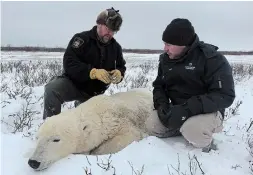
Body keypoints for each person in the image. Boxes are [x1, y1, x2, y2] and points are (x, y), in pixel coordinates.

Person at [146, 18, 235, 151]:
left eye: (169, 44)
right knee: (151, 125)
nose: (165, 49)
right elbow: (159, 86)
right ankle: (181, 129)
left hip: (206, 112)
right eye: (164, 43)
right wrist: (162, 106)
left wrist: (187, 109)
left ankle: (205, 144)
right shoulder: (166, 59)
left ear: (183, 44)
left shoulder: (212, 59)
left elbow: (225, 95)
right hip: (177, 109)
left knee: (193, 130)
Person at [42, 7, 126, 120]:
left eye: (113, 31)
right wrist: (92, 72)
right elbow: (69, 62)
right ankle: (50, 128)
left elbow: (121, 66)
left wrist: (119, 73)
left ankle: (82, 108)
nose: (110, 33)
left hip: (94, 93)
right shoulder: (81, 39)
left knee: (86, 123)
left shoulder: (116, 48)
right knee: (52, 89)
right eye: (108, 29)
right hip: (73, 84)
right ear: (99, 24)